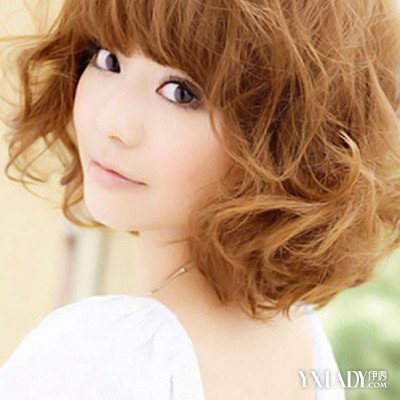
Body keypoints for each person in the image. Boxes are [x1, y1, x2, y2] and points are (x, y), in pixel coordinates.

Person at [1, 0, 400, 398]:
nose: (112, 123)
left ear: (284, 141)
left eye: (180, 93)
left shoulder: (105, 354)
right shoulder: (299, 337)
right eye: (108, 59)